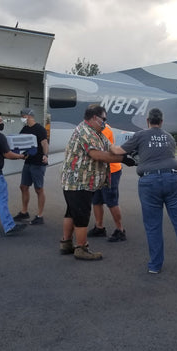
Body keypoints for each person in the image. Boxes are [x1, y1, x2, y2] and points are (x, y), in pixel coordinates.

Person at [110, 108, 177, 279]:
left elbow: (119, 152)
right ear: (162, 122)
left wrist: (110, 145)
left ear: (148, 121)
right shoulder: (169, 137)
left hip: (149, 181)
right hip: (174, 179)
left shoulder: (140, 135)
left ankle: (155, 265)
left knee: (153, 225)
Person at [60, 104, 135, 260]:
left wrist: (129, 152)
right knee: (81, 215)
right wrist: (123, 159)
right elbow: (98, 155)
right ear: (94, 117)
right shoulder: (85, 132)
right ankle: (82, 248)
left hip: (78, 182)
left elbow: (112, 148)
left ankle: (66, 243)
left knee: (72, 212)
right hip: (79, 181)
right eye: (103, 119)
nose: (105, 123)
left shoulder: (97, 132)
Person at [87, 123, 126, 242]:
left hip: (110, 170)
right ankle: (99, 227)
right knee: (96, 200)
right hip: (98, 170)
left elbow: (98, 151)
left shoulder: (103, 130)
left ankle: (120, 230)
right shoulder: (95, 128)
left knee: (111, 201)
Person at [13, 108, 49, 225]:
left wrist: (45, 155)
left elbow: (44, 143)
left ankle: (40, 215)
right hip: (28, 161)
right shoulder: (25, 128)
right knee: (23, 186)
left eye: (23, 116)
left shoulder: (39, 129)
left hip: (38, 162)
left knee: (39, 189)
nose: (22, 118)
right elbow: (20, 142)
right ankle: (24, 211)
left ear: (28, 116)